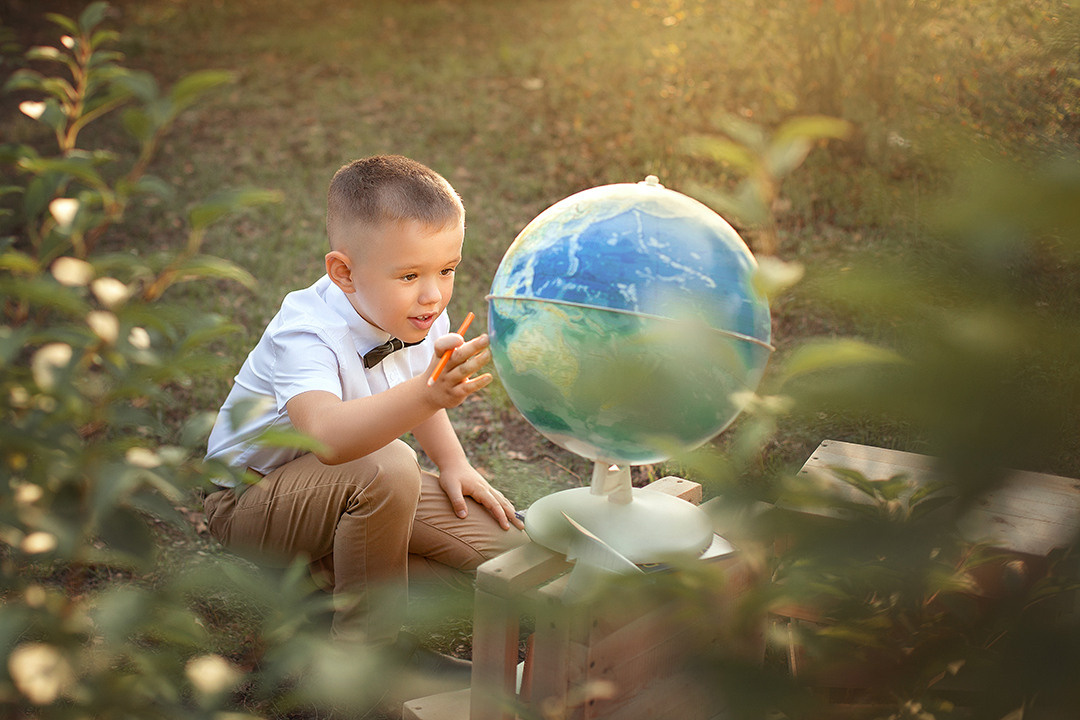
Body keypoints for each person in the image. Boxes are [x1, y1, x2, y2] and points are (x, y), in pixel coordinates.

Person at [202, 155, 527, 655]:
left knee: (509, 560)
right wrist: (426, 393)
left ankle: (325, 580)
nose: (433, 295)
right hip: (254, 502)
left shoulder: (420, 312)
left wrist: (454, 462)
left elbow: (420, 384)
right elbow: (328, 440)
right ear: (343, 272)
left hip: (355, 487)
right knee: (390, 464)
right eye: (410, 276)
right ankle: (364, 662)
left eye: (447, 270)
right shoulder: (306, 332)